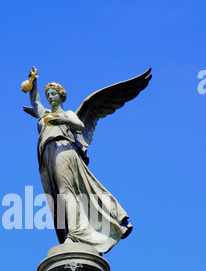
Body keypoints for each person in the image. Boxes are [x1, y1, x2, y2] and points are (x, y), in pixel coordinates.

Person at [23, 69, 135, 254]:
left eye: (53, 94)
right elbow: (35, 101)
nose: (50, 97)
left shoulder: (66, 114)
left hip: (64, 151)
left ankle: (74, 234)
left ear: (60, 96)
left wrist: (61, 120)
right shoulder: (44, 115)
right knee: (56, 198)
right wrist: (33, 83)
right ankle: (70, 231)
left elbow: (80, 125)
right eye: (48, 95)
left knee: (67, 192)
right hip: (46, 156)